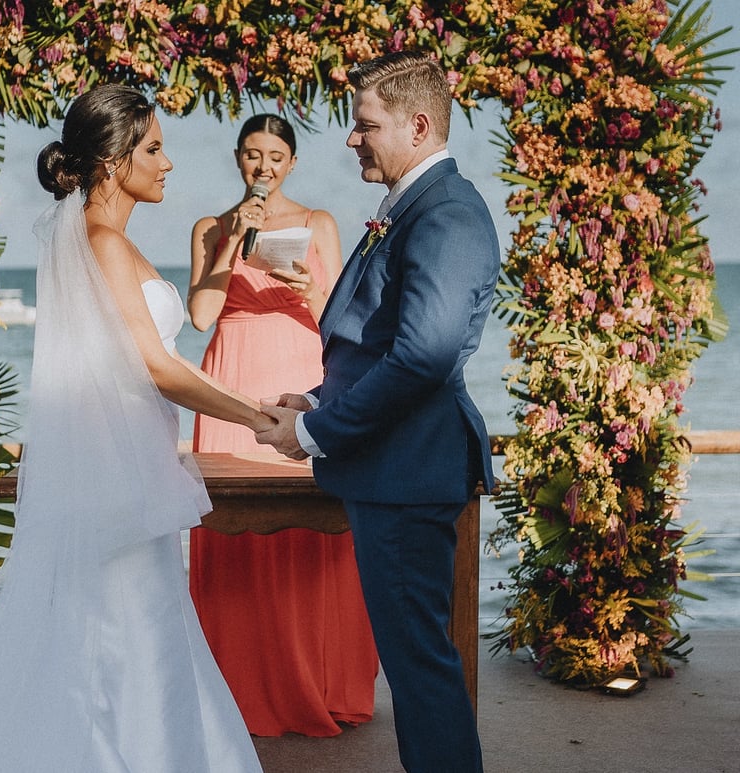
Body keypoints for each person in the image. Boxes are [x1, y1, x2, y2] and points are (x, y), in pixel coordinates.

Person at [0, 84, 268, 773]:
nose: (168, 163)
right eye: (153, 148)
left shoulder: (92, 240)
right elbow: (157, 367)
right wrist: (258, 418)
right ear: (112, 163)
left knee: (127, 639)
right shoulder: (104, 244)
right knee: (135, 638)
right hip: (121, 483)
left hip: (125, 471)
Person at [256, 51, 500, 773]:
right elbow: (382, 342)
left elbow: (424, 359)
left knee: (421, 670)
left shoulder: (448, 213)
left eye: (365, 125)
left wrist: (313, 430)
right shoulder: (414, 206)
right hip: (392, 469)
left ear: (418, 124)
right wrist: (319, 397)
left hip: (408, 472)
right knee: (415, 663)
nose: (350, 139)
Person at [186, 114, 378, 737]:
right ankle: (236, 686)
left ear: (291, 162)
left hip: (299, 368)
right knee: (233, 525)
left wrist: (306, 285)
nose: (262, 166)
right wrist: (228, 242)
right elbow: (200, 314)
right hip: (231, 379)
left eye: (274, 156)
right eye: (251, 155)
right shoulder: (211, 226)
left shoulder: (319, 223)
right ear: (238, 159)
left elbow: (342, 324)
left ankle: (316, 680)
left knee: (313, 529)